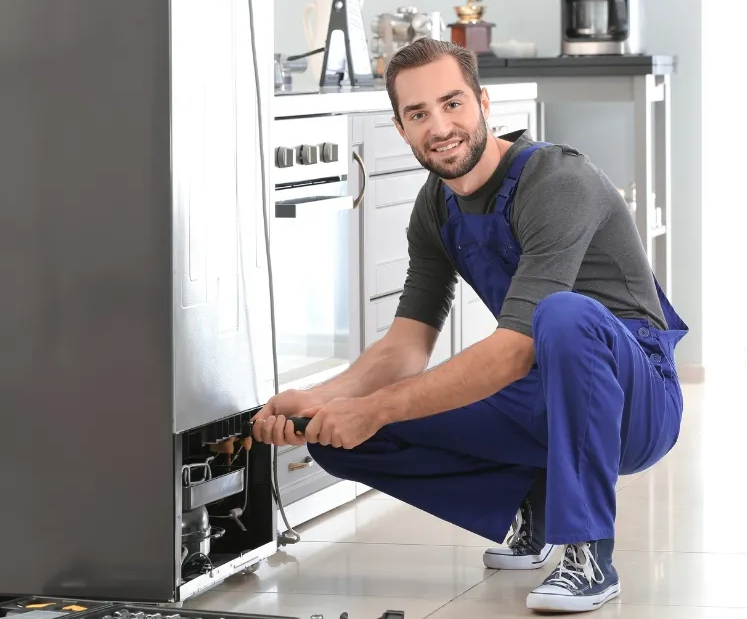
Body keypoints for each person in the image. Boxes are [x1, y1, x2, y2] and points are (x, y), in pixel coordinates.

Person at [252, 38, 688, 614]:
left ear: (483, 102)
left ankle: (588, 555)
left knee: (563, 315)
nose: (439, 126)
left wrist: (376, 406)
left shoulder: (556, 182)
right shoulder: (436, 207)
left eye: (452, 103)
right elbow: (407, 346)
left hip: (638, 402)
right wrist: (320, 398)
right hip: (539, 397)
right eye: (418, 114)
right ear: (401, 128)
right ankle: (531, 499)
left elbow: (510, 352)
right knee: (337, 437)